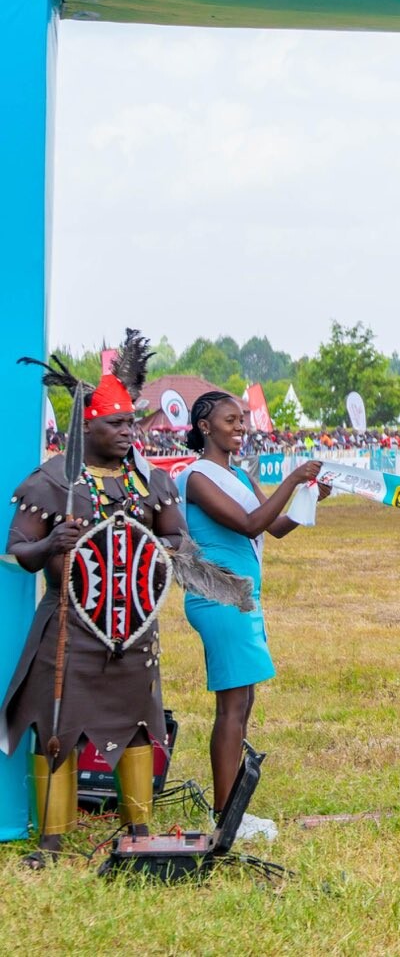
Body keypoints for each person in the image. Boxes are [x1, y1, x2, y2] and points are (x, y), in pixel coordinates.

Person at [2, 336, 200, 864]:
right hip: (68, 625)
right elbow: (19, 551)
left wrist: (151, 546)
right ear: (86, 427)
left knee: (137, 724)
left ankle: (139, 828)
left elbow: (178, 539)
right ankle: (51, 840)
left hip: (132, 628)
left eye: (131, 423)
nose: (128, 432)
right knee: (56, 728)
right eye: (116, 424)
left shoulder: (149, 481)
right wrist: (51, 543)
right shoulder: (52, 481)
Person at [179, 391, 324, 842]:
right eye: (231, 419)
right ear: (205, 426)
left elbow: (274, 527)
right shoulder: (196, 478)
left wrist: (309, 497)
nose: (241, 426)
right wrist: (292, 478)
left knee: (243, 702)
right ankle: (226, 818)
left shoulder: (238, 474)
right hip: (219, 596)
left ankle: (233, 810)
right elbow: (248, 525)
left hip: (242, 598)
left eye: (242, 419)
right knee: (231, 706)